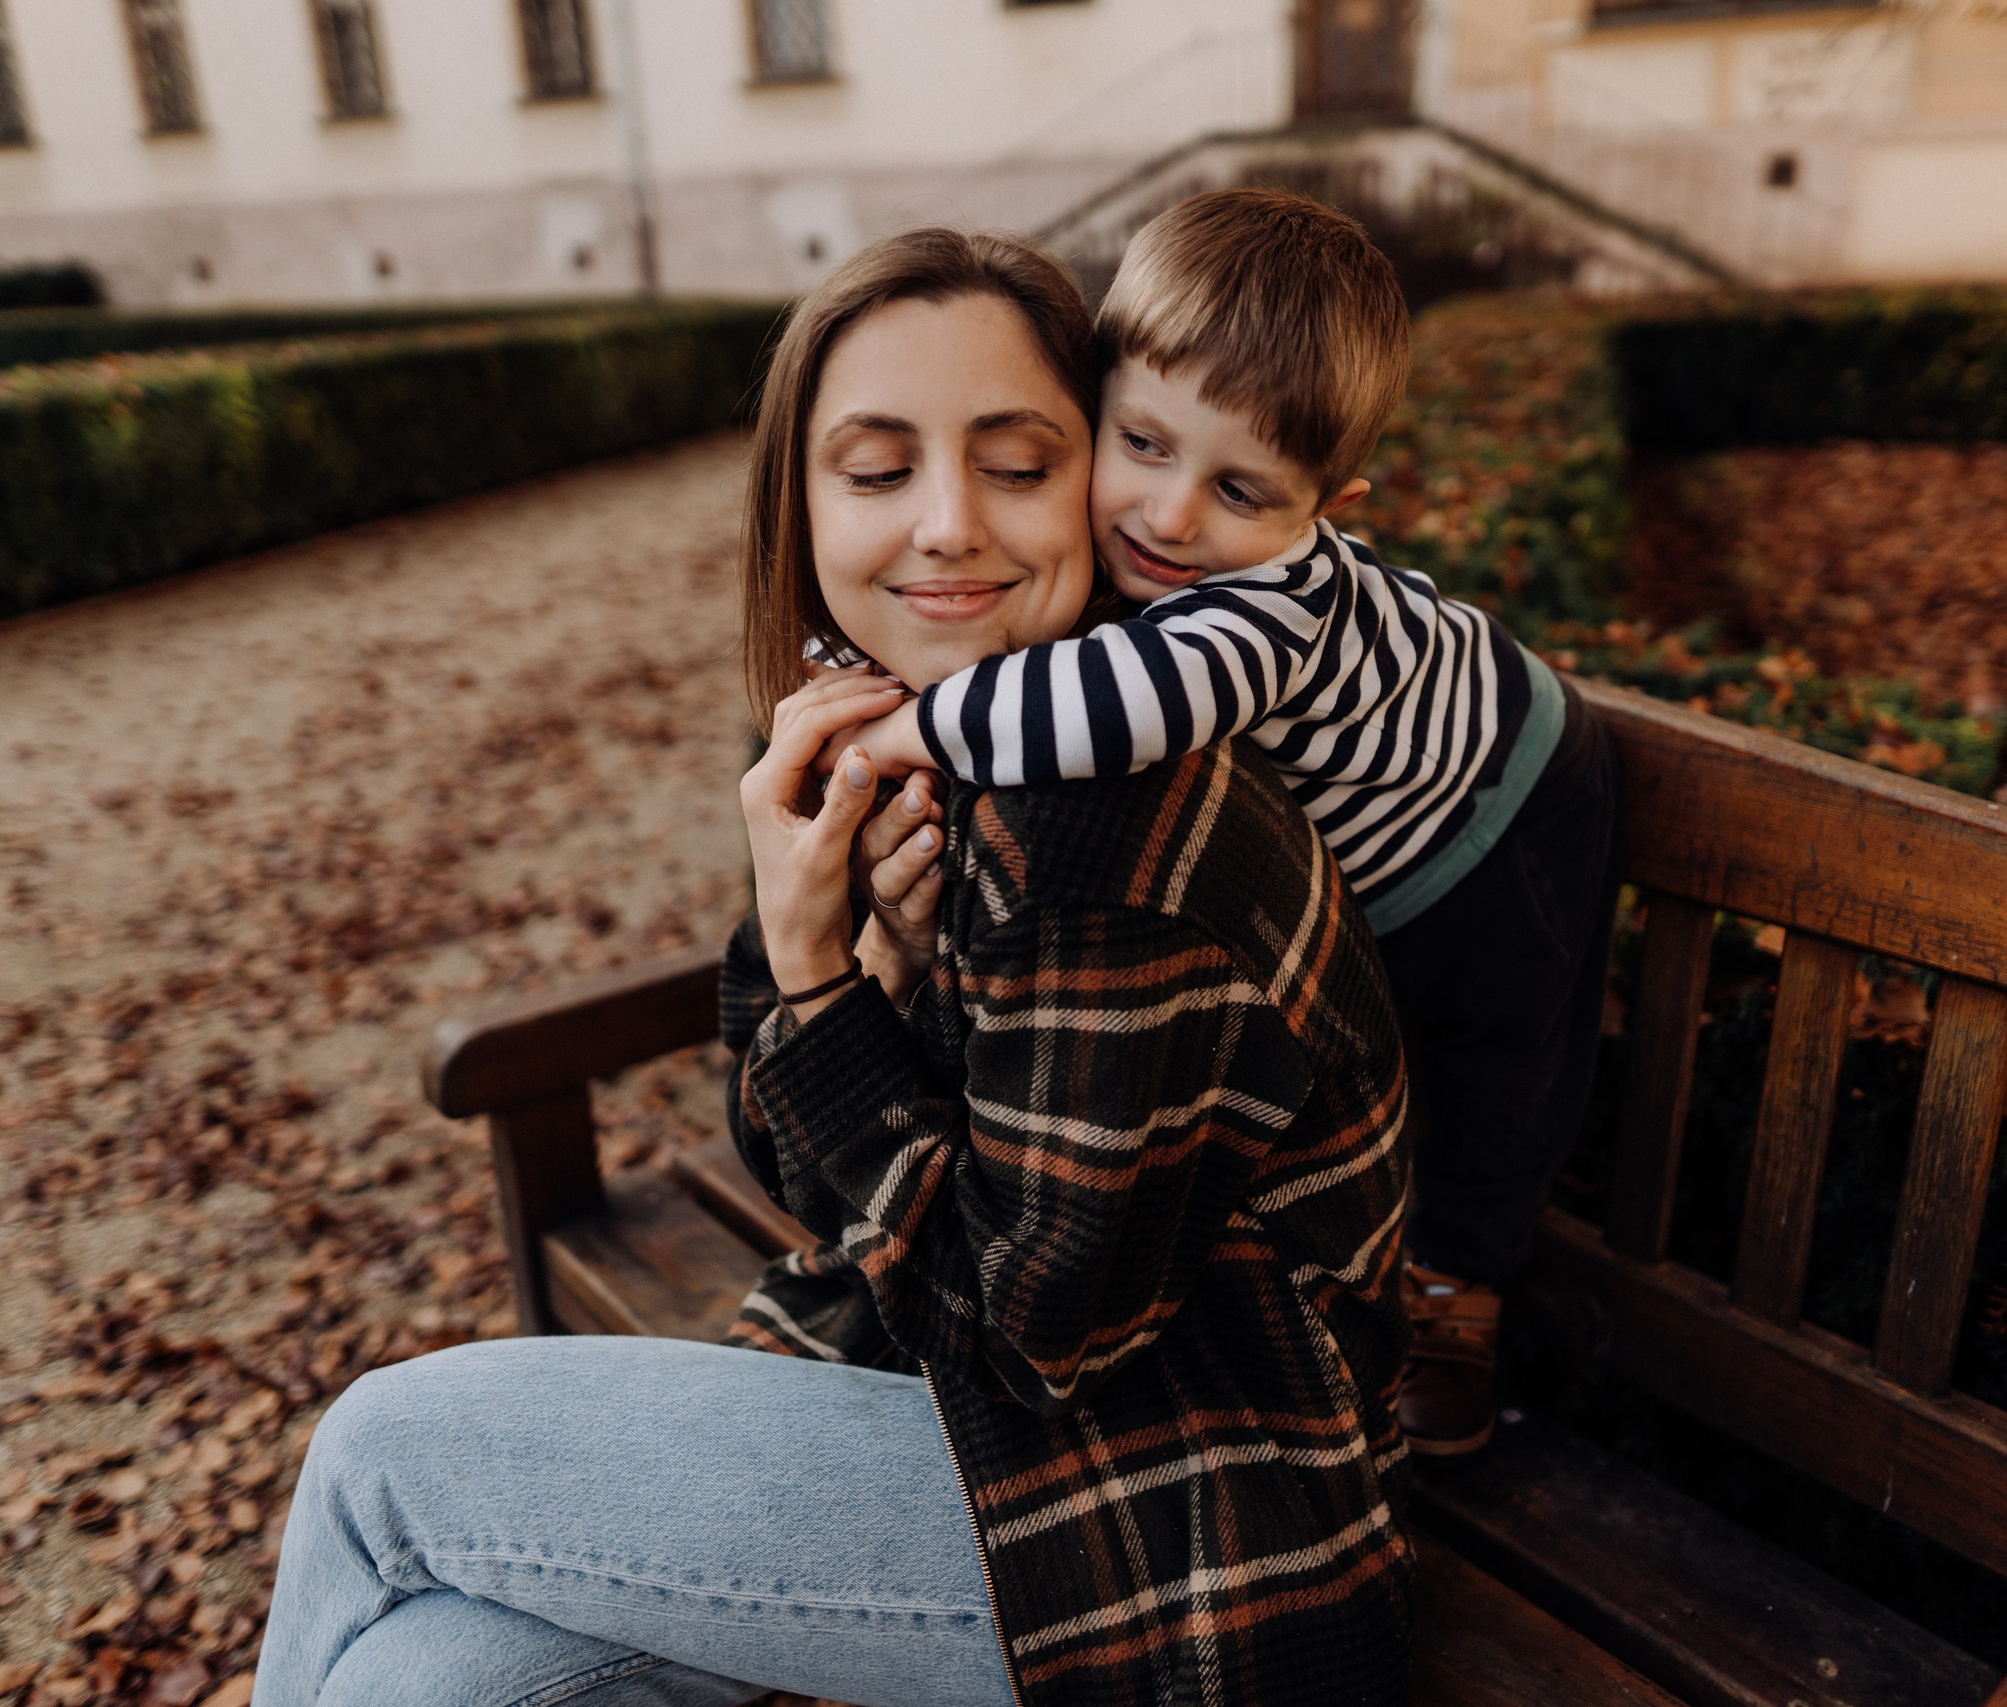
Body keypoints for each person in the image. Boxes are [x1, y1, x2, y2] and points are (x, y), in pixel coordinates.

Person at [254, 227, 1414, 1707]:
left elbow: (1035, 1342)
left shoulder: (1107, 832)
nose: (947, 527)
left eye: (1016, 461)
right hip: (962, 1406)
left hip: (1195, 1509)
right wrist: (844, 961)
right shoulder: (888, 726)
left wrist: (824, 993)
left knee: (385, 1451)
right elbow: (809, 1179)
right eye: (877, 470)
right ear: (797, 508)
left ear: (1100, 479)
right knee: (418, 1686)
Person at [833, 189, 1623, 1457]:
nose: (1172, 517)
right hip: (1395, 771)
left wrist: (903, 727)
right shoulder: (1154, 555)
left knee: (1492, 1067)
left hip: (1498, 810)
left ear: (1328, 502)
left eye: (1241, 486)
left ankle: (1457, 1286)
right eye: (1140, 444)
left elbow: (1118, 701)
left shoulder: (1259, 614)